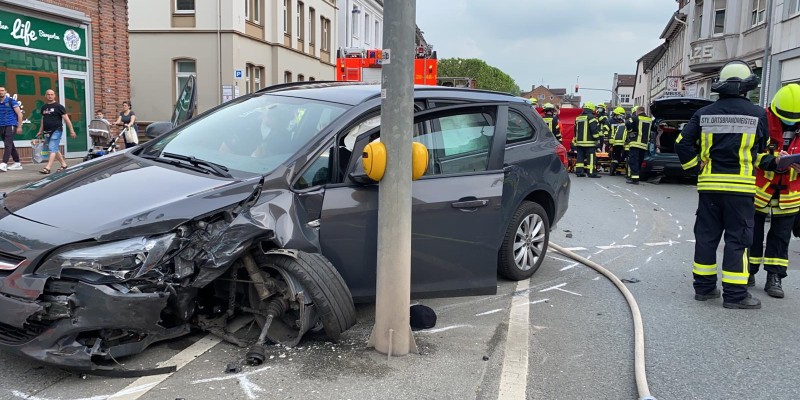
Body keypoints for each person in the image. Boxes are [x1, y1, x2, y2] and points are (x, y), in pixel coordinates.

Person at [675, 60, 775, 309]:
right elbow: (760, 151)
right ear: (746, 88)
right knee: (738, 240)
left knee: (706, 236)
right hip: (740, 189)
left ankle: (705, 289)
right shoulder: (758, 114)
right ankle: (735, 295)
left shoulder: (704, 114)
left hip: (709, 186)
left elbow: (681, 143)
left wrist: (693, 168)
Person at [749, 83, 800, 298]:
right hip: (761, 189)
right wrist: (772, 160)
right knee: (752, 233)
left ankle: (774, 277)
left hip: (790, 193)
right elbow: (750, 151)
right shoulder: (762, 121)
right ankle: (748, 272)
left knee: (780, 238)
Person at [38, 89, 77, 174]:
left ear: (54, 95)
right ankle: (64, 165)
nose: (50, 96)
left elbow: (66, 119)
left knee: (52, 148)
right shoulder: (44, 107)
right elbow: (43, 119)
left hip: (57, 130)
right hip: (47, 131)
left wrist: (71, 130)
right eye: (48, 94)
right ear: (45, 95)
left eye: (52, 94)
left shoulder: (59, 106)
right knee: (54, 148)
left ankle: (47, 168)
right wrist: (40, 130)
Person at [625, 106, 653, 185]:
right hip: (644, 144)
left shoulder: (635, 118)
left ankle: (634, 179)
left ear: (638, 111)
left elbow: (627, 123)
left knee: (633, 161)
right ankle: (636, 177)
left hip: (635, 143)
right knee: (640, 161)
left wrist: (630, 130)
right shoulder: (649, 120)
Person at [573, 102, 601, 178]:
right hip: (590, 143)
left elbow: (575, 130)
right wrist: (597, 139)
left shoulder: (578, 118)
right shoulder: (592, 117)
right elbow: (594, 130)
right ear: (591, 109)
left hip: (579, 142)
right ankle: (591, 172)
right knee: (591, 158)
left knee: (580, 157)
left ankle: (579, 172)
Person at [0, 87, 23, 172]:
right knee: (10, 144)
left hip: (11, 125)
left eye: (2, 91)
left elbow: (19, 114)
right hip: (1, 126)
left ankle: (4, 164)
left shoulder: (11, 101)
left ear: (5, 92)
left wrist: (19, 126)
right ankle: (17, 163)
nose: (1, 92)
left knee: (7, 144)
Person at [608, 106, 628, 176]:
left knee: (620, 157)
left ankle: (617, 170)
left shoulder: (623, 122)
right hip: (614, 142)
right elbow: (608, 132)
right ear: (616, 115)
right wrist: (610, 144)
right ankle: (612, 170)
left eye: (622, 115)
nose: (621, 117)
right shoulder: (610, 121)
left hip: (622, 142)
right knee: (615, 157)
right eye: (620, 115)